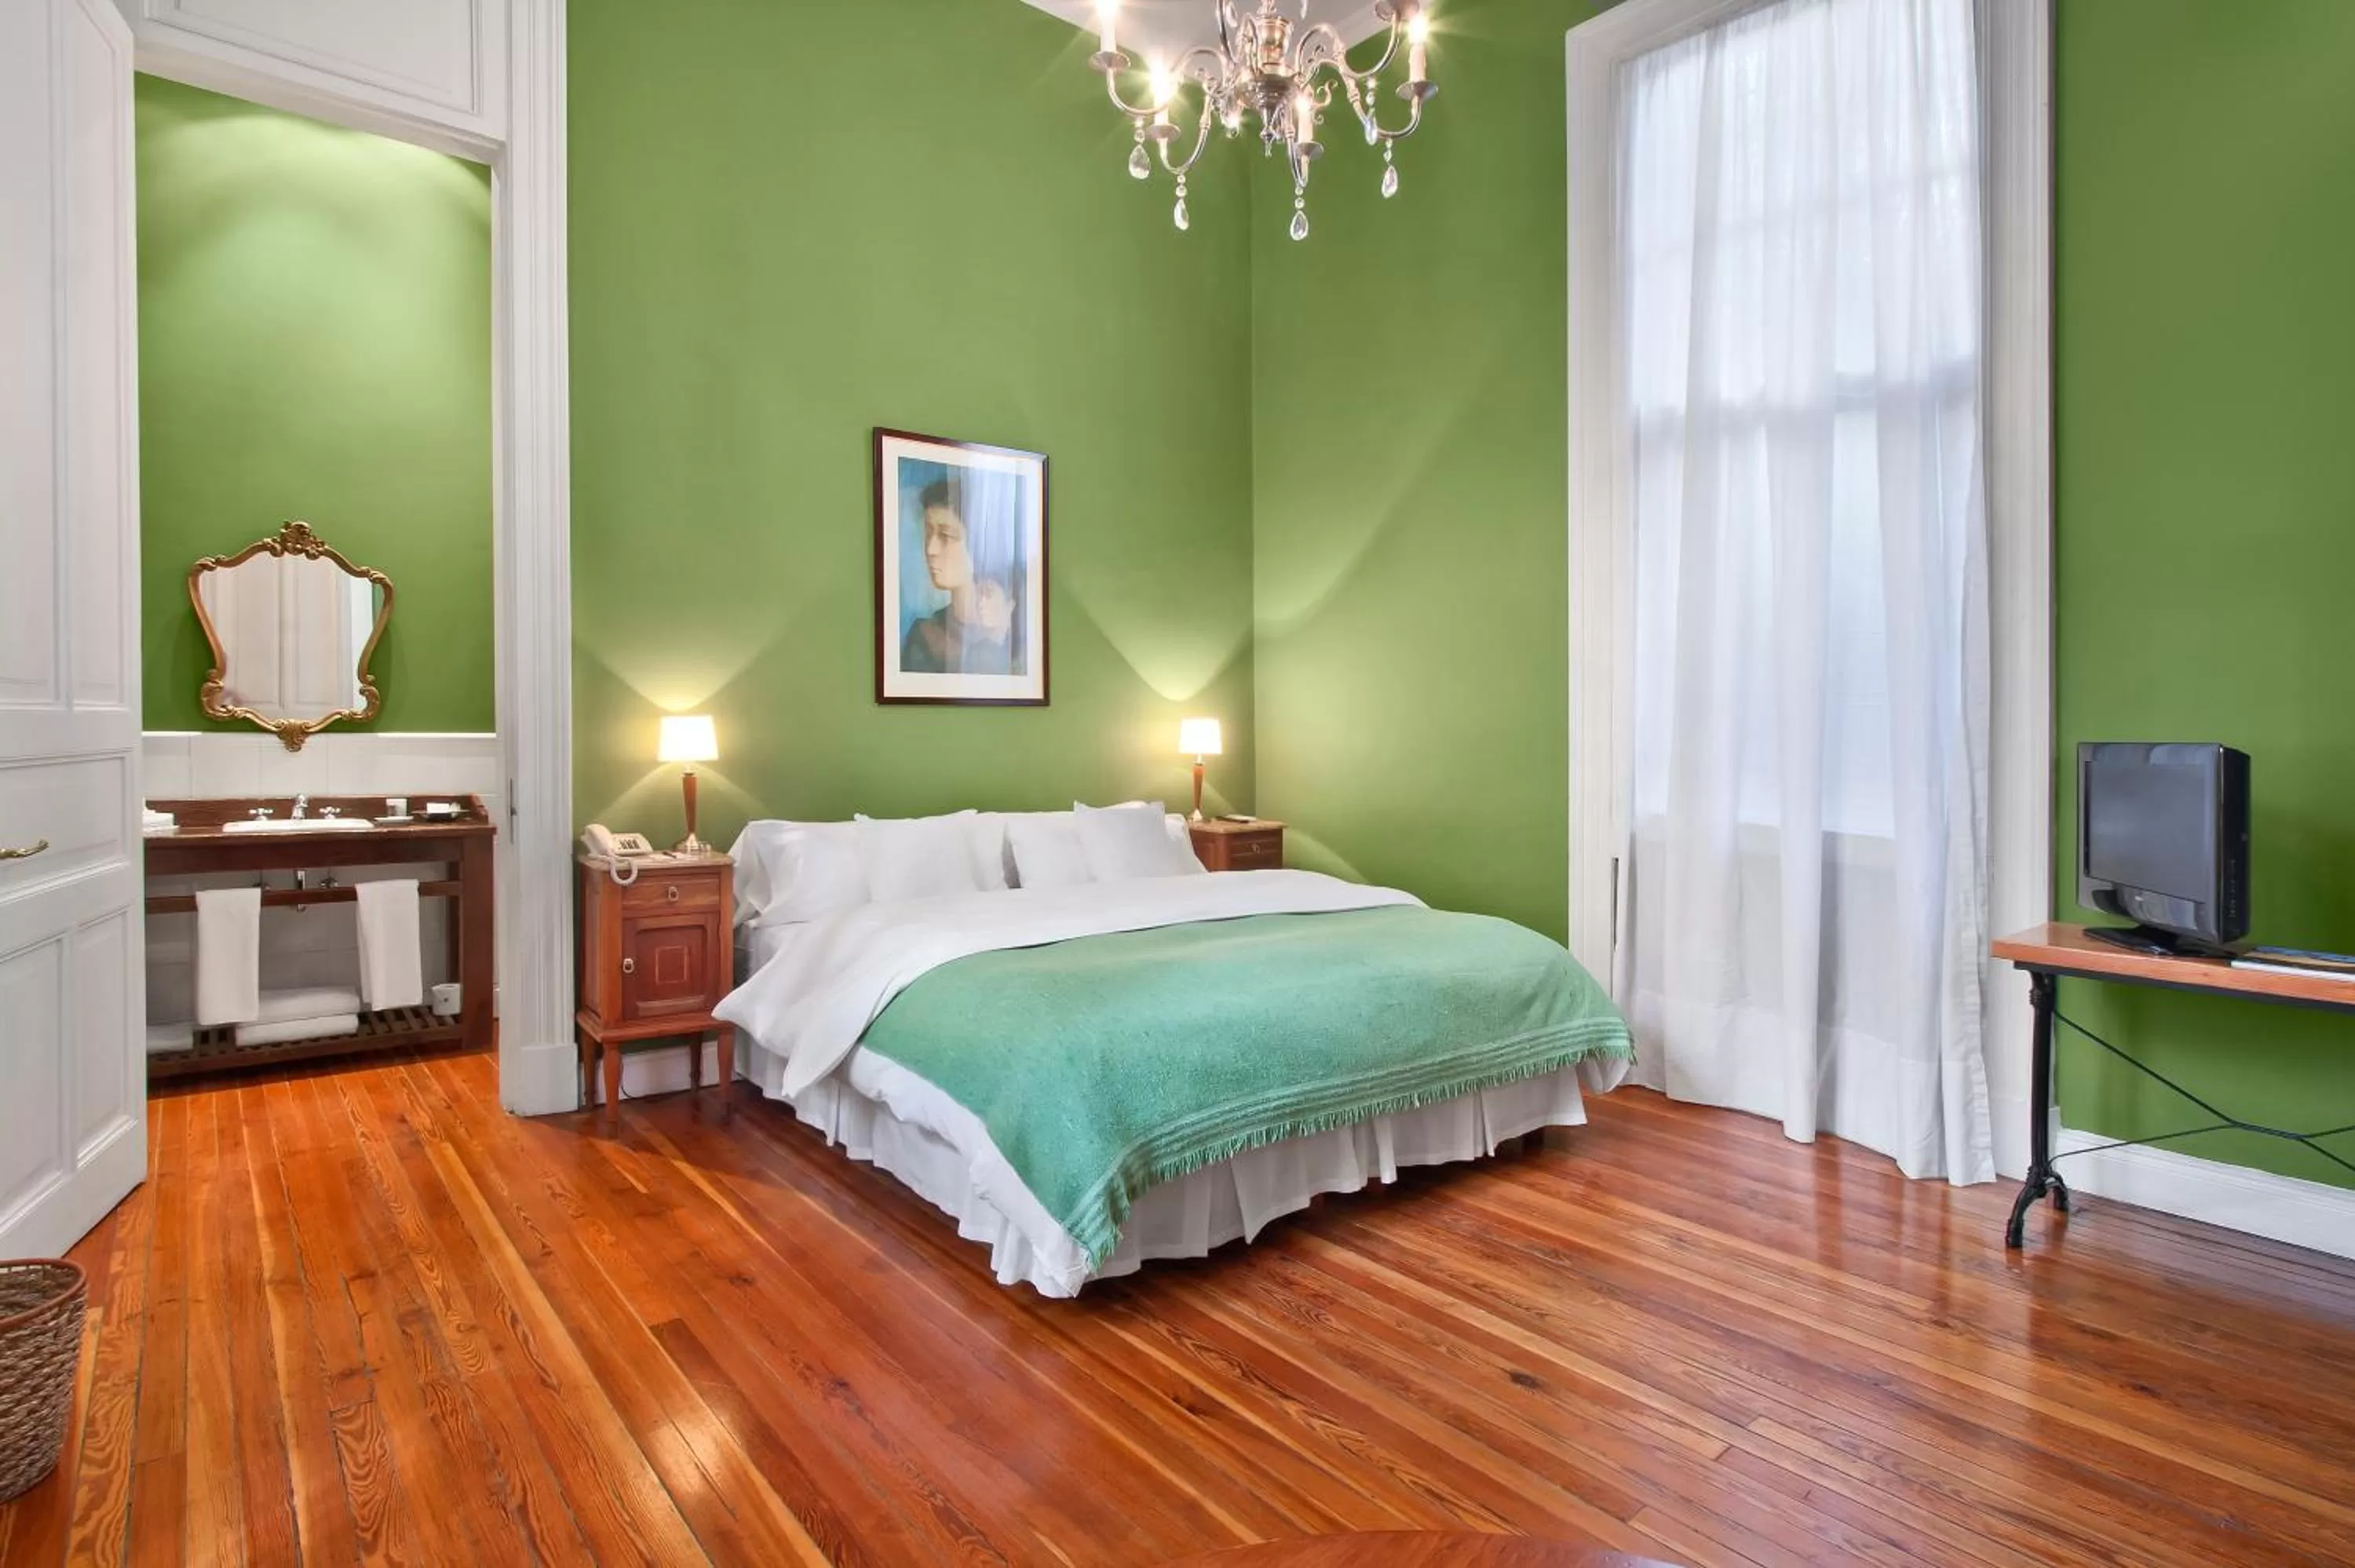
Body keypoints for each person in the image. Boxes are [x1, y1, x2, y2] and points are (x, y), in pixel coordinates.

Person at [900, 476, 1022, 676]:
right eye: (928, 533)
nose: (931, 549)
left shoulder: (1019, 634)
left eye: (946, 536)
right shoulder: (925, 636)